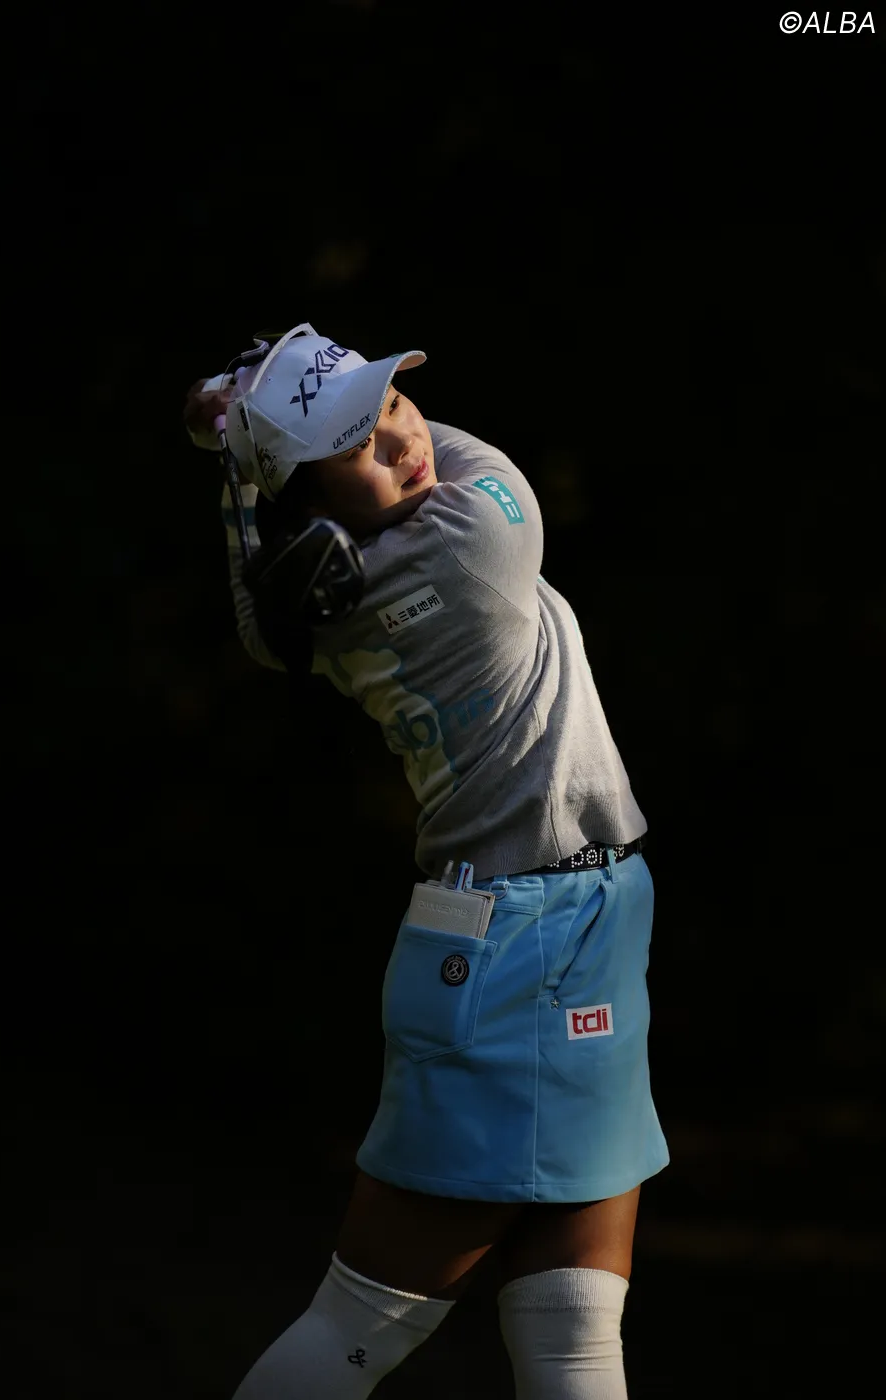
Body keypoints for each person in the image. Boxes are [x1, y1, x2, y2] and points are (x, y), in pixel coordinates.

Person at [183, 323, 669, 1399]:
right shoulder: (468, 543)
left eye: (392, 404)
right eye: (356, 443)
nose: (405, 438)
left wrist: (243, 444)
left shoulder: (315, 613)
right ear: (309, 509)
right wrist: (241, 427)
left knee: (575, 1317)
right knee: (359, 1322)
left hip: (551, 932)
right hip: (526, 943)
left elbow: (262, 597)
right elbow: (475, 458)